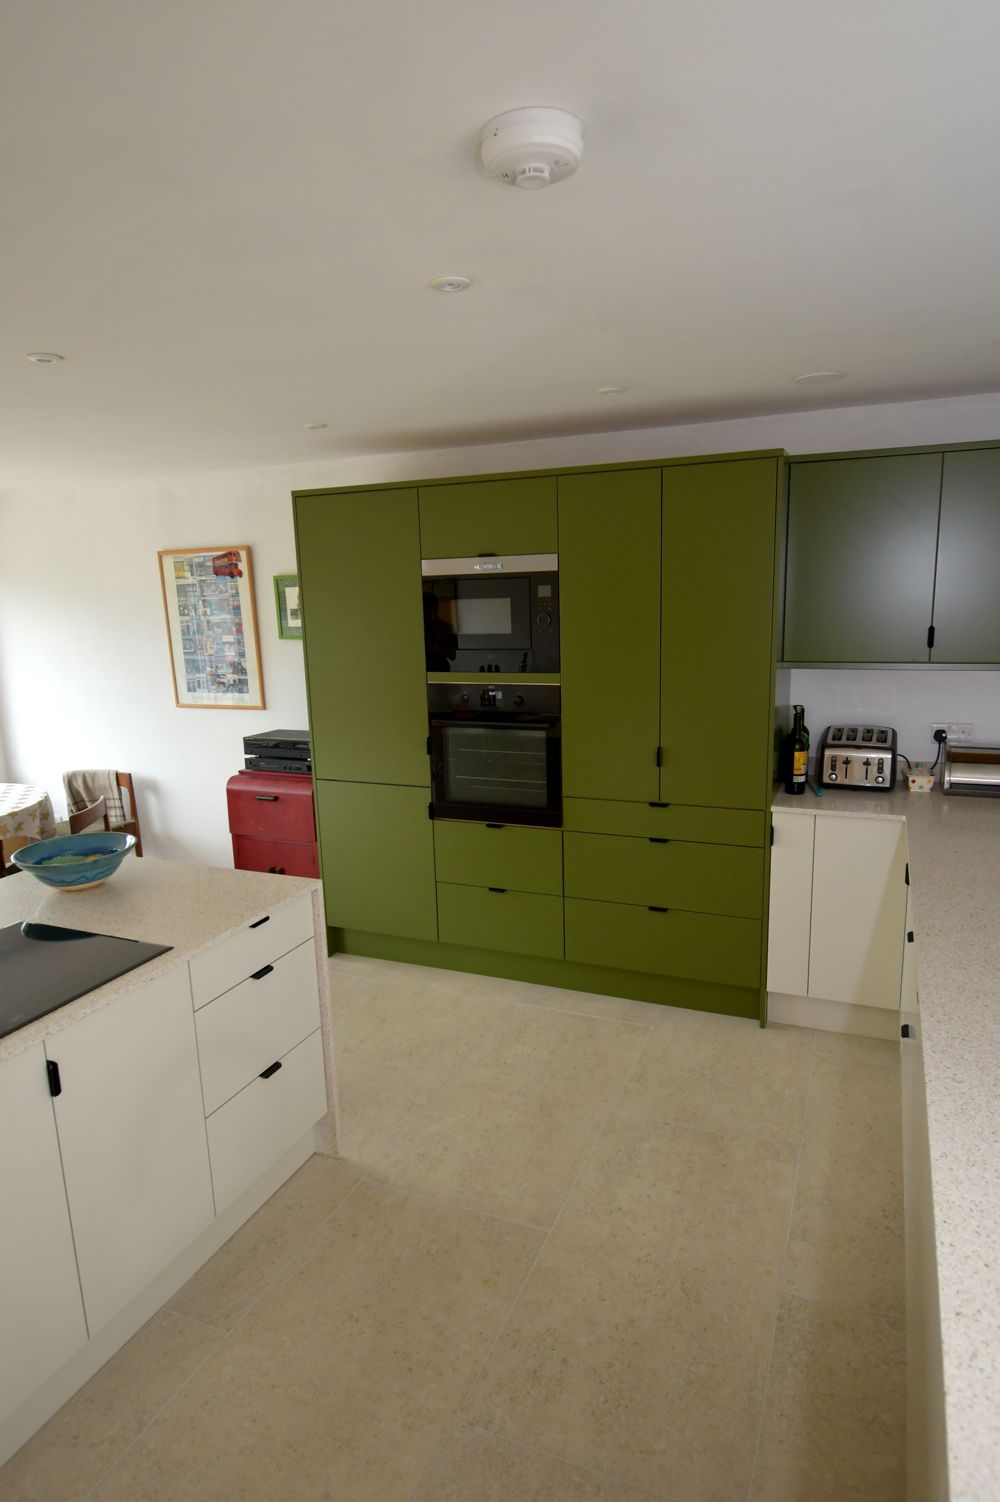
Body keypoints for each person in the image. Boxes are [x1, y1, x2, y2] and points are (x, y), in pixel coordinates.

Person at [423, 589, 457, 670]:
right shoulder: (416, 628)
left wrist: (439, 647)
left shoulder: (445, 627)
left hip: (440, 668)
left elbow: (452, 655)